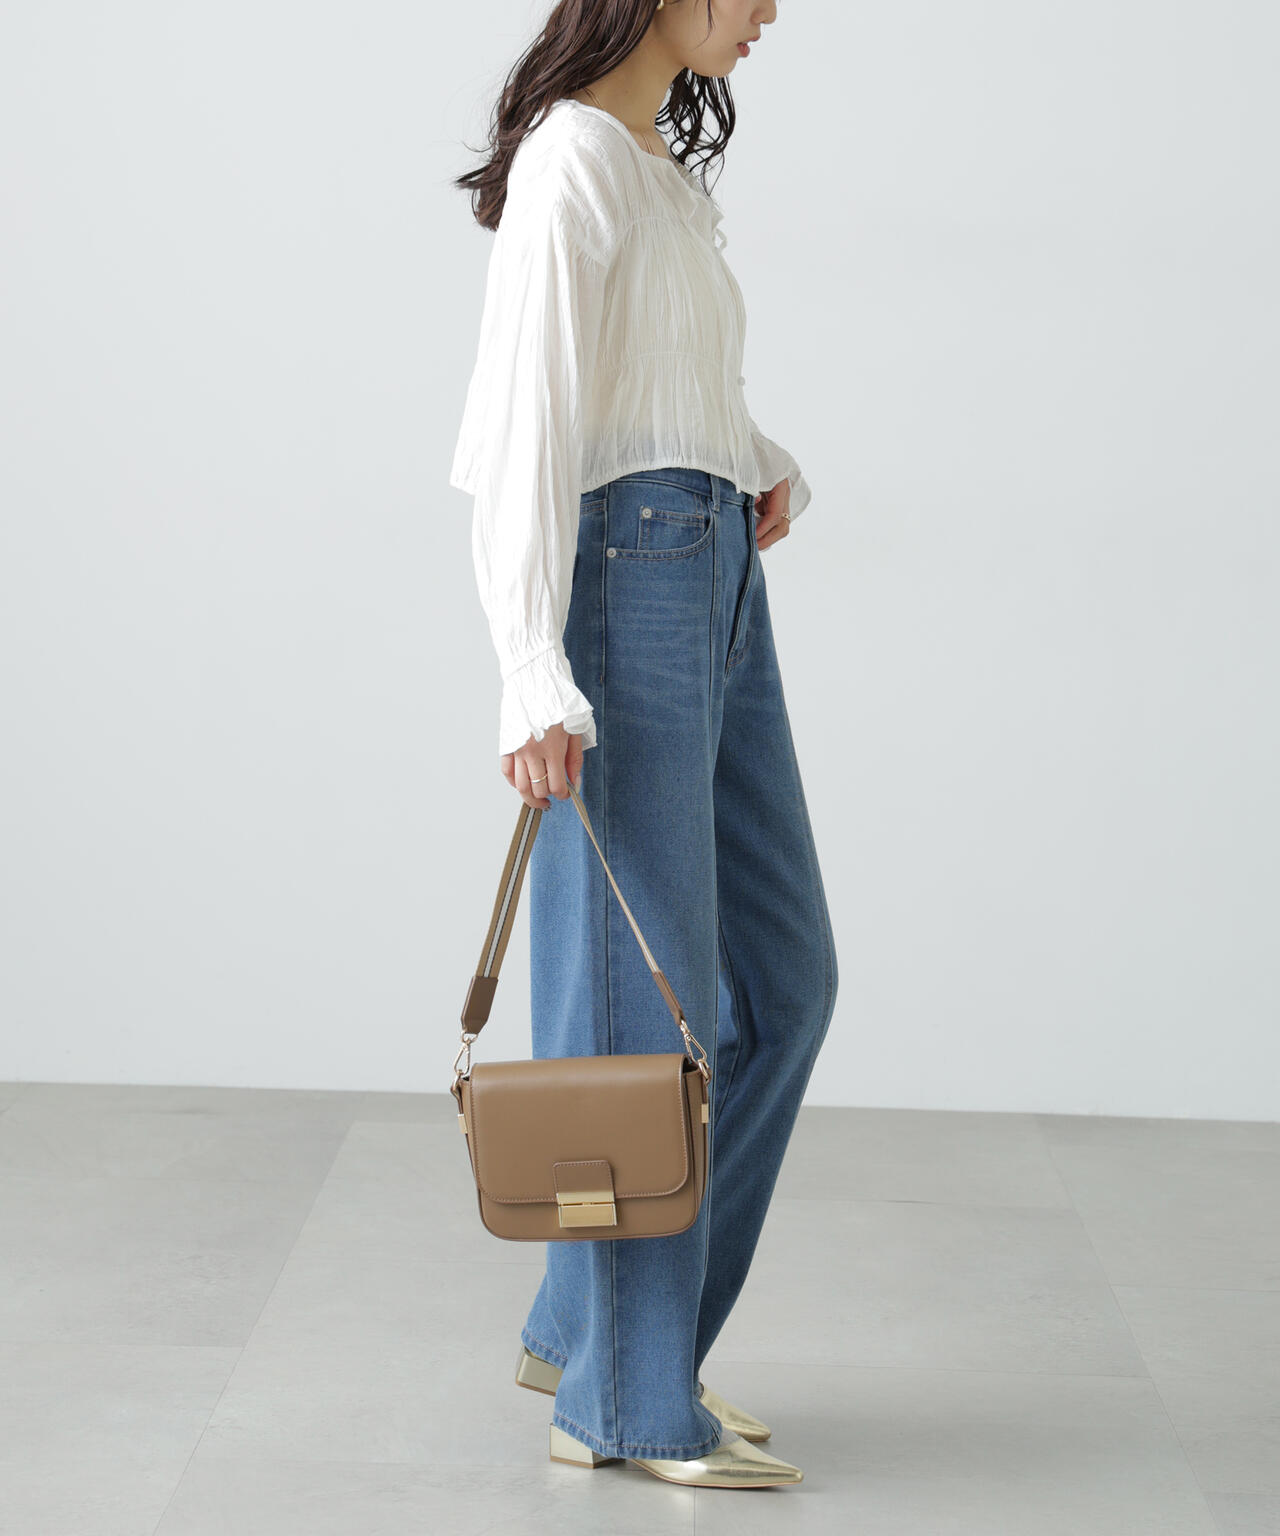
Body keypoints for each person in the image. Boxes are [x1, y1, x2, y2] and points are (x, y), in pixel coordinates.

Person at [449, 0, 838, 1490]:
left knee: (781, 986)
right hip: (627, 585)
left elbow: (655, 389)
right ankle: (624, 1395)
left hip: (708, 568)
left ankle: (599, 1332)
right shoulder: (573, 162)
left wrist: (753, 462)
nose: (773, 10)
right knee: (640, 1022)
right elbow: (528, 425)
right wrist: (529, 667)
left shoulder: (654, 169)